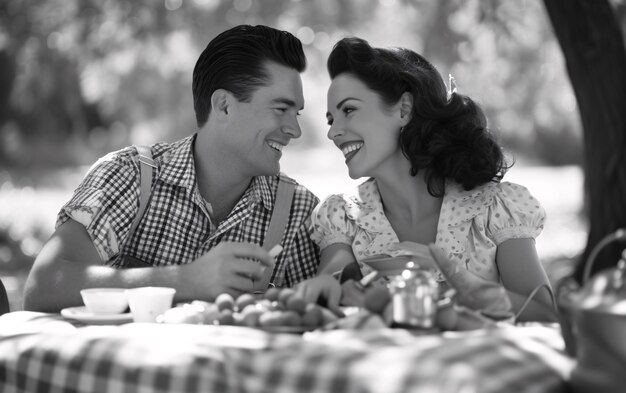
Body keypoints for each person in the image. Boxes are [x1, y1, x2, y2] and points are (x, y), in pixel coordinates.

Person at [23, 25, 320, 312]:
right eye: (281, 109)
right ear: (224, 106)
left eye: (297, 113)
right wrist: (184, 280)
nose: (295, 130)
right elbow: (44, 285)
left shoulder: (299, 212)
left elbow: (325, 316)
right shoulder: (128, 175)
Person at [296, 37, 555, 322]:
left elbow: (543, 311)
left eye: (349, 110)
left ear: (404, 109)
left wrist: (456, 278)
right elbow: (336, 270)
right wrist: (326, 283)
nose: (333, 133)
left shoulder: (496, 208)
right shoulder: (343, 217)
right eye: (331, 119)